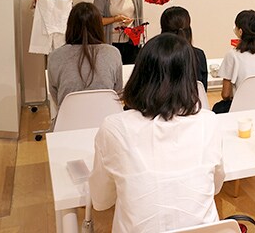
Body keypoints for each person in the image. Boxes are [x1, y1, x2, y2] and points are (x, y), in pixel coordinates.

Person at [89, 33, 224, 233]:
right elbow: (216, 185)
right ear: (188, 78)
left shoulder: (115, 127)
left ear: (140, 74)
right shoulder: (209, 121)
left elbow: (100, 200)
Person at [93, 0, 171, 64]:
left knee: (131, 71)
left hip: (132, 42)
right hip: (111, 43)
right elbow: (96, 20)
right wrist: (115, 19)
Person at [47, 2, 122, 108]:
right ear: (98, 27)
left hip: (68, 120)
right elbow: (117, 91)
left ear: (70, 26)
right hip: (105, 119)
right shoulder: (113, 53)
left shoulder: (55, 56)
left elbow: (55, 94)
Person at [213, 10, 255, 113]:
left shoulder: (233, 55)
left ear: (240, 32)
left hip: (241, 109)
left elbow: (225, 94)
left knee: (218, 108)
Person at [160, 6, 208, 91]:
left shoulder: (152, 53)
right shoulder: (198, 55)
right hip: (193, 103)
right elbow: (203, 90)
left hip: (158, 103)